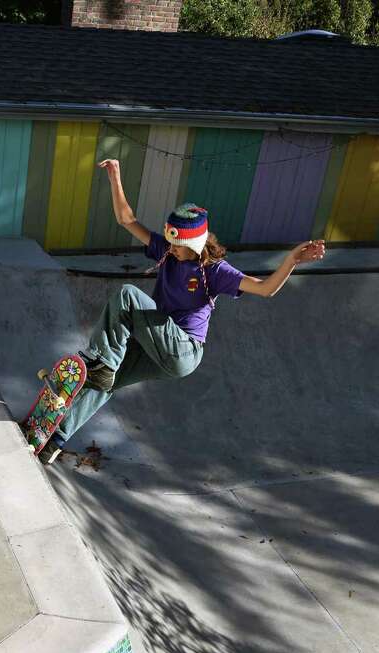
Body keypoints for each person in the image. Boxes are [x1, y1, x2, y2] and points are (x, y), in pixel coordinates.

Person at [38, 157, 326, 464]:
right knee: (109, 380)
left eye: (177, 246)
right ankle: (56, 438)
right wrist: (115, 176)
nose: (170, 250)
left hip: (185, 350)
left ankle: (101, 360)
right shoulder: (168, 251)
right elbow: (126, 220)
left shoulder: (215, 270)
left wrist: (291, 261)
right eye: (170, 244)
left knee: (127, 296)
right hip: (157, 348)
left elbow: (265, 288)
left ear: (195, 244)